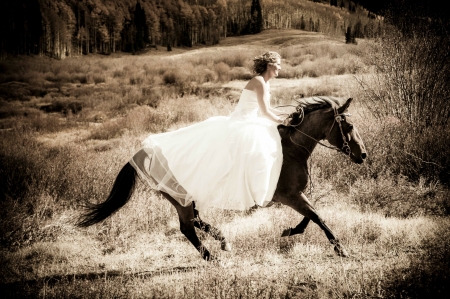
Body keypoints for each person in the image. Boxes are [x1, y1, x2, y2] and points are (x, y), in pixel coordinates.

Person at [130, 51, 288, 211]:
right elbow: (266, 112)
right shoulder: (259, 81)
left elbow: (267, 109)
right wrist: (281, 120)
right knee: (253, 154)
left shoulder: (265, 83)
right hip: (242, 123)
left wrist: (287, 114)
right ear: (269, 65)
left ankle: (260, 193)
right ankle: (251, 194)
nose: (280, 68)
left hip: (250, 121)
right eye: (278, 64)